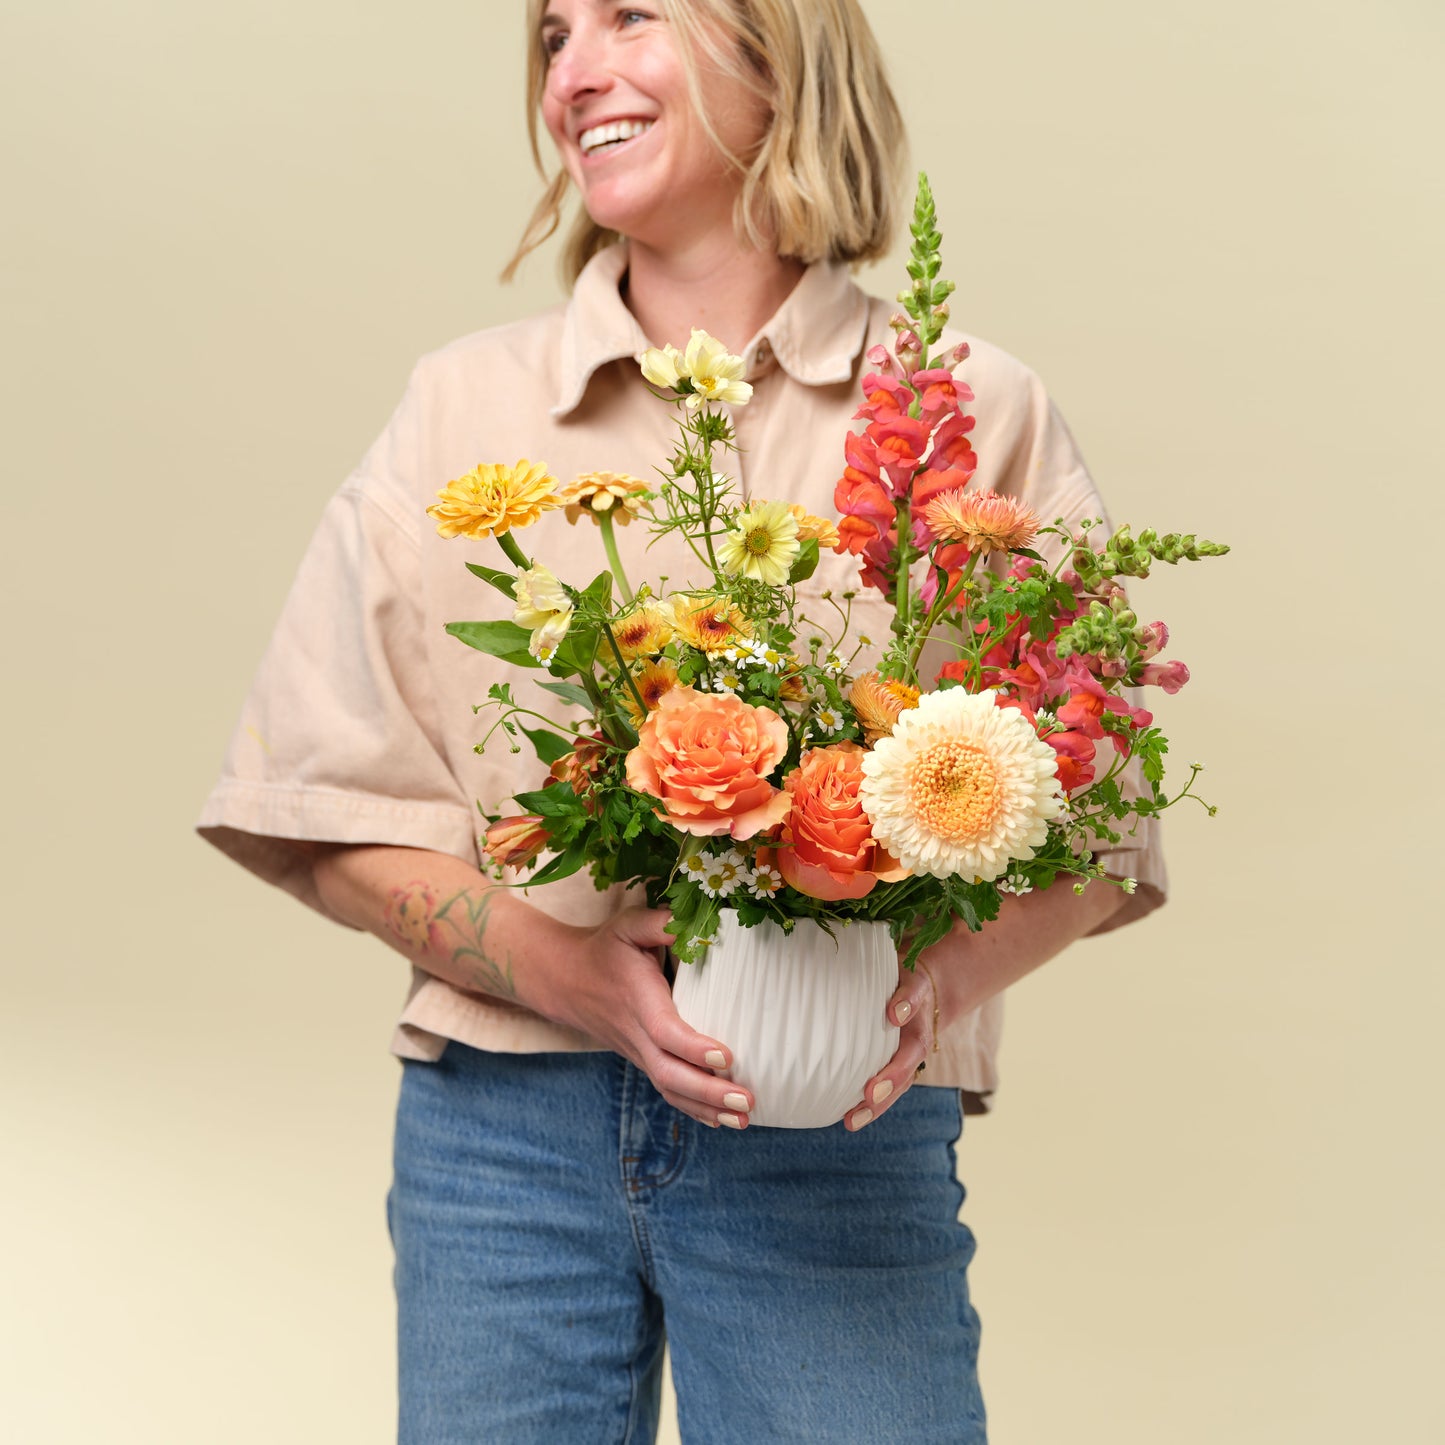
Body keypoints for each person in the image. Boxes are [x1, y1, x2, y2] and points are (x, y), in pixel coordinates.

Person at [199, 1, 1165, 1439]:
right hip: (501, 1140)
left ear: (776, 57)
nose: (571, 70)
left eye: (629, 16)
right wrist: (564, 967)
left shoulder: (970, 408)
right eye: (549, 35)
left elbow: (1098, 821)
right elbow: (329, 812)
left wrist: (930, 994)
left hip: (832, 1132)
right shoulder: (459, 409)